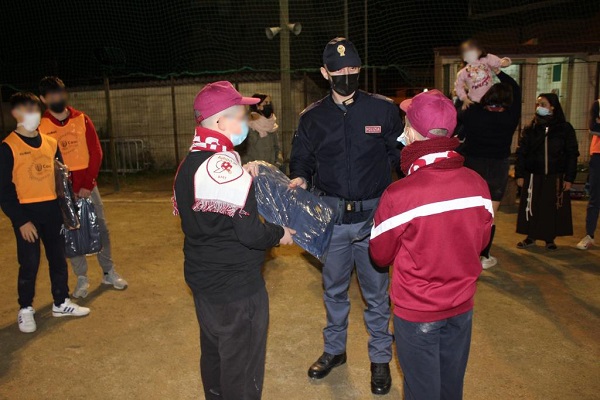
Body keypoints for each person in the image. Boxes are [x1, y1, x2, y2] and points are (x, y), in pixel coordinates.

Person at [289, 37, 401, 395]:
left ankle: (380, 359)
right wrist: (299, 177)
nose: (347, 76)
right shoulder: (312, 118)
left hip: (373, 220)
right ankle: (335, 351)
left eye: (353, 70)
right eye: (339, 71)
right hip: (333, 220)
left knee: (377, 295)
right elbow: (302, 161)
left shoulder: (383, 111)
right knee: (334, 291)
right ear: (325, 73)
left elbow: (401, 157)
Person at [173, 81, 295, 400]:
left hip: (204, 282)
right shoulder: (225, 166)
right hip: (237, 289)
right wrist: (279, 234)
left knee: (215, 357)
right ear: (218, 121)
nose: (245, 122)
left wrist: (244, 177)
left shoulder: (190, 163)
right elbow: (251, 233)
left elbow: (210, 214)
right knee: (241, 370)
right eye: (240, 116)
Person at [370, 89, 494, 400]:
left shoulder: (400, 194)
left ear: (412, 133)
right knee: (451, 387)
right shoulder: (478, 184)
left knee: (421, 390)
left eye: (406, 123)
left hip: (418, 311)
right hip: (461, 306)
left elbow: (380, 254)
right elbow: (482, 241)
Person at [0, 92, 90, 333]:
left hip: (51, 209)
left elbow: (60, 180)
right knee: (29, 262)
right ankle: (25, 308)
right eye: (27, 111)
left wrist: (66, 210)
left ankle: (61, 302)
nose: (33, 115)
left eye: (36, 110)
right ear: (16, 114)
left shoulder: (51, 144)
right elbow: (4, 190)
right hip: (26, 213)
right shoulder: (8, 147)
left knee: (58, 259)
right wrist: (21, 221)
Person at [38, 76, 127, 298]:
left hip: (88, 187)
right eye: (51, 94)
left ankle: (108, 272)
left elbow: (96, 152)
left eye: (60, 92)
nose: (57, 97)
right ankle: (82, 278)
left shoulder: (82, 119)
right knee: (70, 233)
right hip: (60, 191)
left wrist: (87, 184)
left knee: (101, 228)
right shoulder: (41, 126)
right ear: (43, 99)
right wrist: (59, 190)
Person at [458, 68, 521, 269]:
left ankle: (465, 252)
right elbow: (516, 88)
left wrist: (466, 91)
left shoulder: (473, 112)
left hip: (472, 165)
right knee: (490, 214)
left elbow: (460, 107)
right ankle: (484, 256)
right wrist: (496, 70)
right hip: (498, 167)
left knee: (469, 212)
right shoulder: (510, 117)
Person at [515, 93, 579, 250]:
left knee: (550, 207)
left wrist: (569, 178)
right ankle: (530, 236)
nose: (539, 108)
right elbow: (522, 153)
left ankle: (549, 238)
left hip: (555, 175)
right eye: (538, 104)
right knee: (532, 206)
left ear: (553, 107)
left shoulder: (564, 129)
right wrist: (520, 174)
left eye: (543, 104)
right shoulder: (531, 128)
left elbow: (572, 154)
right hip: (533, 174)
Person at [455, 39, 511, 110]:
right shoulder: (463, 72)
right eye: (467, 51)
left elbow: (499, 61)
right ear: (464, 57)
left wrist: (505, 62)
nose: (470, 53)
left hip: (489, 99)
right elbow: (458, 87)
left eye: (473, 49)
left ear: (479, 51)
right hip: (474, 101)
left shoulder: (486, 59)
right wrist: (464, 98)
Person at [576, 99, 600, 250]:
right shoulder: (598, 104)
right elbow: (594, 128)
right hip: (598, 155)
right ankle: (589, 235)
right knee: (595, 198)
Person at [239, 93, 283, 167]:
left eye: (269, 102)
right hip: (252, 170)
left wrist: (277, 163)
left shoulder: (272, 125)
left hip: (270, 170)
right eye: (266, 103)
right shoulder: (247, 124)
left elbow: (277, 148)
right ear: (257, 105)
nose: (269, 105)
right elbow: (242, 150)